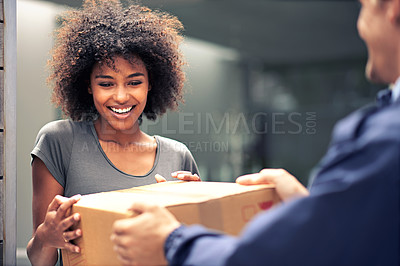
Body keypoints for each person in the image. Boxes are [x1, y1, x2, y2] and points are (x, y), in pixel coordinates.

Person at [110, 0, 400, 265]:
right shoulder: (63, 142)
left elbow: (267, 258)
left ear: (393, 9)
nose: (360, 27)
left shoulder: (387, 138)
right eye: (107, 83)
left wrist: (172, 242)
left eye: (364, 6)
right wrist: (311, 206)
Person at [26, 1, 201, 265]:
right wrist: (46, 236)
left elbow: (191, 252)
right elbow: (40, 260)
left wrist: (199, 207)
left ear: (150, 84)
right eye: (106, 83)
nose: (121, 96)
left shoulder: (178, 156)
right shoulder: (59, 141)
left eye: (134, 82)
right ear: (88, 85)